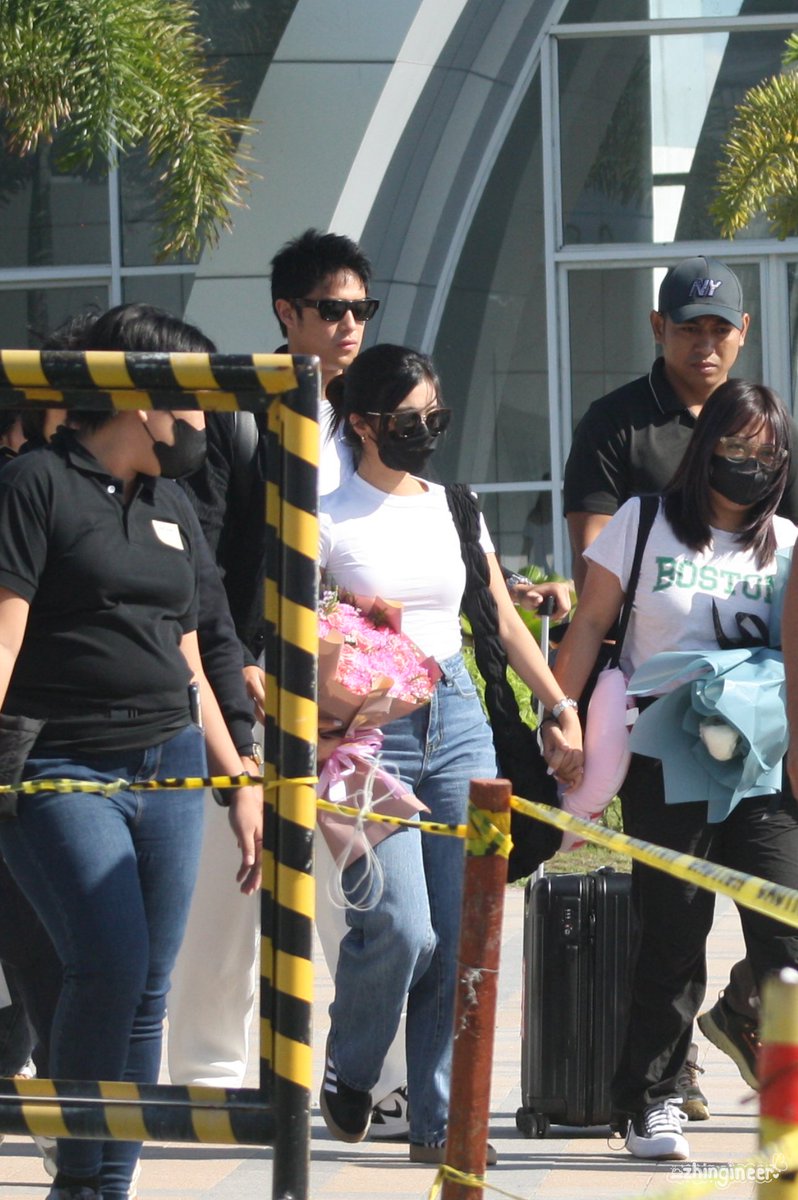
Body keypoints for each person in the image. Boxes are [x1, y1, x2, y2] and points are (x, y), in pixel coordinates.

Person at [0, 338, 263, 1200]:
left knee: (148, 986)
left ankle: (111, 1184)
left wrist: (238, 778)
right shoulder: (36, 482)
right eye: (189, 403)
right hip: (62, 765)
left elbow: (189, 653)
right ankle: (77, 1181)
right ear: (138, 399)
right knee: (106, 965)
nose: (200, 424)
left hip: (170, 763)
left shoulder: (172, 501)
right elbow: (5, 632)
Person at [317, 342, 583, 1163]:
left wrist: (559, 704)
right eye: (409, 420)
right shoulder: (321, 515)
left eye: (437, 416)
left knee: (464, 931)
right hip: (367, 731)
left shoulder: (453, 505)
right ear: (361, 423)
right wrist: (339, 689)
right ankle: (351, 1065)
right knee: (402, 928)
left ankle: (440, 1125)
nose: (427, 432)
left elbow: (500, 617)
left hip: (456, 717)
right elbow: (287, 634)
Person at [563, 254, 798, 1098]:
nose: (706, 342)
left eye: (720, 328)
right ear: (659, 327)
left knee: (785, 929)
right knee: (672, 927)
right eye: (688, 326)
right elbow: (593, 613)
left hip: (760, 749)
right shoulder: (636, 482)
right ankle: (656, 1092)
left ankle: (782, 1096)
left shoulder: (785, 527)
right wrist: (561, 709)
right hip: (665, 733)